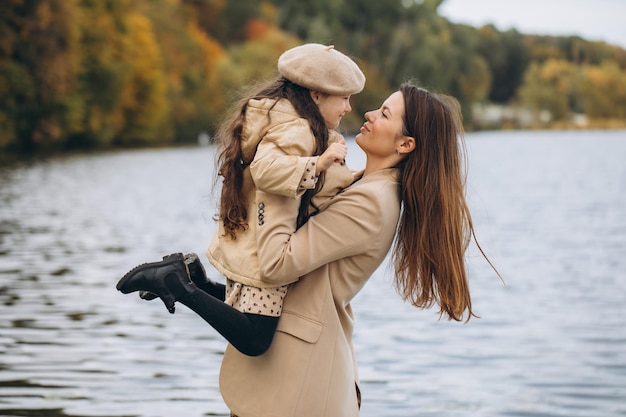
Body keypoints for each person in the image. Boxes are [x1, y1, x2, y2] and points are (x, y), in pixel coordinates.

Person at [118, 82, 498, 416]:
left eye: (384, 113)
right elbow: (298, 294)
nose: (367, 113)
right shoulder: (363, 184)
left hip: (299, 389)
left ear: (406, 143)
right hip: (292, 373)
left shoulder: (373, 202)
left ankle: (179, 284)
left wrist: (278, 176)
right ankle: (187, 282)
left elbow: (277, 263)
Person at [117, 43, 365, 356]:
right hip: (266, 246)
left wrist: (365, 179)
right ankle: (176, 282)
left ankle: (193, 278)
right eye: (344, 97)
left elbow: (327, 186)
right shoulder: (297, 129)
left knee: (249, 314)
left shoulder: (299, 125)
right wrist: (320, 162)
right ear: (316, 94)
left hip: (257, 240)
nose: (348, 108)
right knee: (255, 339)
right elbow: (266, 170)